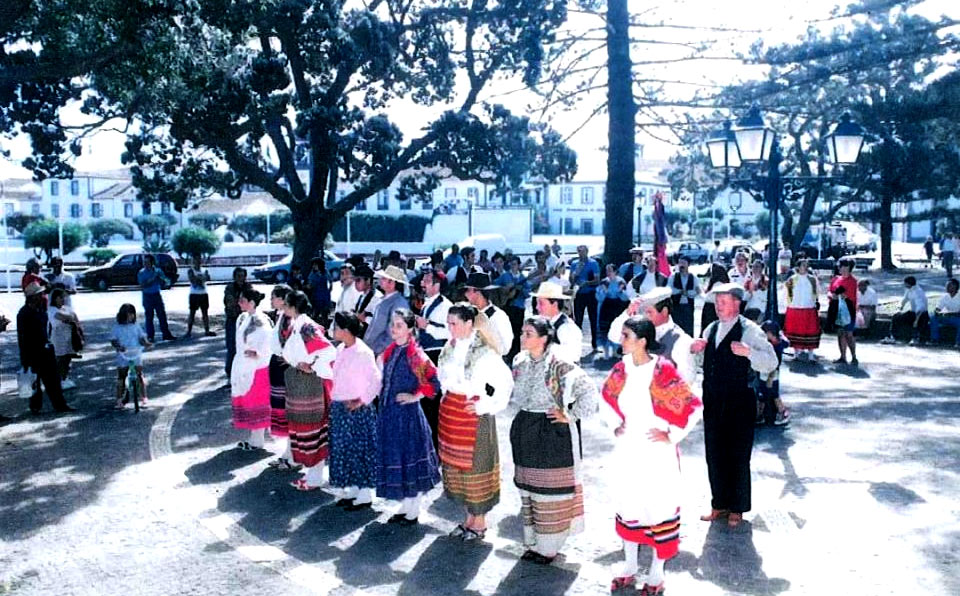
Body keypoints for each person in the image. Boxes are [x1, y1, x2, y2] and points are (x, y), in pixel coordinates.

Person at [602, 317, 702, 594]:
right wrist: (615, 424)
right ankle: (630, 565)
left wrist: (671, 435)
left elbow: (693, 406)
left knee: (658, 508)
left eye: (626, 335)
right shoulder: (621, 369)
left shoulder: (662, 369)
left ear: (642, 340)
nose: (621, 340)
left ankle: (657, 574)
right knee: (629, 504)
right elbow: (605, 399)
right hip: (628, 449)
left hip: (657, 453)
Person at [510, 317, 599, 564]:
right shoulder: (520, 361)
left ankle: (549, 547)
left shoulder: (560, 365)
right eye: (522, 332)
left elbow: (590, 395)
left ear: (544, 338)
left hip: (550, 433)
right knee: (528, 488)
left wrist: (568, 415)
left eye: (529, 334)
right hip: (525, 429)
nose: (523, 337)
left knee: (549, 491)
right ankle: (535, 542)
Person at [691, 283, 778, 528]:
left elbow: (770, 362)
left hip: (739, 399)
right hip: (713, 398)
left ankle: (738, 507)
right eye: (717, 302)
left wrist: (749, 352)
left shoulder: (750, 330)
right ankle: (719, 503)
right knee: (714, 452)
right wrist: (695, 350)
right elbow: (702, 361)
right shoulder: (711, 328)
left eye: (724, 302)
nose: (718, 307)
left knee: (738, 454)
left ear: (737, 303)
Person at [437, 303, 514, 541]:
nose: (450, 328)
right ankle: (468, 518)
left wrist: (485, 405)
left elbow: (505, 384)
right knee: (456, 467)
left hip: (473, 415)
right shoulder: (448, 348)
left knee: (476, 466)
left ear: (469, 323)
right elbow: (443, 377)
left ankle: (479, 521)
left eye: (455, 324)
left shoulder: (485, 352)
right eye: (448, 324)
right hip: (452, 413)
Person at [376, 309, 443, 524]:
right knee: (399, 459)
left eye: (399, 325)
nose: (393, 329)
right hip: (391, 415)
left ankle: (414, 510)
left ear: (410, 329)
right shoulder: (392, 350)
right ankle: (405, 507)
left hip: (407, 418)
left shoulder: (415, 355)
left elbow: (433, 382)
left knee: (409, 459)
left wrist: (414, 396)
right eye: (392, 324)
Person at [282, 290, 337, 491]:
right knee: (303, 428)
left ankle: (314, 477)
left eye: (286, 303)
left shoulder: (306, 327)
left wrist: (311, 364)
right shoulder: (297, 325)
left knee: (313, 429)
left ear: (294, 306)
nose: (284, 307)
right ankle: (311, 473)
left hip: (310, 384)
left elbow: (329, 351)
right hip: (300, 383)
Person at [329, 312, 382, 511]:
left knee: (359, 450)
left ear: (345, 330)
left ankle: (364, 494)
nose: (333, 331)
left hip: (356, 409)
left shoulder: (363, 352)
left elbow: (376, 380)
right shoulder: (341, 349)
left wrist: (362, 401)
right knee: (344, 449)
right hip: (340, 406)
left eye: (336, 328)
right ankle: (351, 489)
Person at [608, 287, 697, 385]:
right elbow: (613, 336)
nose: (646, 316)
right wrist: (628, 312)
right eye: (644, 312)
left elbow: (687, 380)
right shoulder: (640, 329)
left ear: (664, 311)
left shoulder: (681, 340)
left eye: (649, 312)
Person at [19, 283, 74, 414]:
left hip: (45, 349)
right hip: (32, 351)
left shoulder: (40, 309)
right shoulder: (24, 313)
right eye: (39, 294)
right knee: (34, 381)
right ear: (32, 297)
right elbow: (22, 337)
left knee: (53, 379)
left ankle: (60, 404)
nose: (42, 296)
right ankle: (35, 406)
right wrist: (25, 357)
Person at [229, 287, 273, 450]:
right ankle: (255, 437)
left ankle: (258, 439)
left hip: (257, 368)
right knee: (249, 401)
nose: (239, 303)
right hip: (244, 365)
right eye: (239, 300)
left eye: (243, 300)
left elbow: (269, 340)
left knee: (256, 402)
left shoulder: (260, 320)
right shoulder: (243, 318)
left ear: (252, 302)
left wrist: (259, 352)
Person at [416, 268, 452, 448]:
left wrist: (427, 326)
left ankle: (436, 446)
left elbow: (448, 331)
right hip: (425, 355)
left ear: (437, 285)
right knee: (426, 400)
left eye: (427, 281)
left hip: (436, 354)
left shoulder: (445, 305)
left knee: (433, 401)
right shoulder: (427, 303)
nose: (423, 284)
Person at [266, 284, 298, 470]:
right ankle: (287, 452)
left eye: (274, 297)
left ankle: (294, 455)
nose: (271, 301)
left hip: (285, 368)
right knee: (282, 412)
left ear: (283, 299)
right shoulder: (281, 317)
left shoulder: (290, 319)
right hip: (278, 366)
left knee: (289, 412)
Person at [109, 303, 150, 410]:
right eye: (128, 314)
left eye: (132, 314)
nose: (131, 316)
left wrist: (145, 343)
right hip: (123, 354)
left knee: (140, 374)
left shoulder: (136, 325)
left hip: (135, 352)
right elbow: (113, 340)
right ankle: (119, 399)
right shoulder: (117, 327)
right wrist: (118, 346)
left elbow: (141, 338)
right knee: (121, 377)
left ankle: (144, 397)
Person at [463, 272, 513, 358]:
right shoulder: (466, 312)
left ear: (478, 292)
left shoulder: (498, 316)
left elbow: (505, 349)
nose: (465, 294)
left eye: (468, 290)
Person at [531, 281, 582, 364]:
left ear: (554, 305)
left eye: (541, 303)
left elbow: (573, 357)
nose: (537, 307)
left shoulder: (567, 328)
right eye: (537, 303)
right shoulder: (544, 322)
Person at [365, 265, 410, 355]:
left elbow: (394, 333)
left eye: (384, 279)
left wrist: (380, 349)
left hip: (385, 352)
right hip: (374, 350)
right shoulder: (384, 300)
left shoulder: (399, 303)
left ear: (392, 283)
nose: (381, 280)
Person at [783, 259, 821, 361]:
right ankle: (796, 353)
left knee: (810, 330)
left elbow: (817, 292)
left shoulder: (812, 279)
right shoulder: (792, 279)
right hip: (795, 308)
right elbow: (787, 293)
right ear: (798, 267)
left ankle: (811, 355)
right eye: (803, 265)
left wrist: (814, 302)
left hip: (809, 308)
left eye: (806, 265)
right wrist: (789, 304)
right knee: (795, 330)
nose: (805, 267)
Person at [755, 320, 790, 426]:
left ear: (770, 333)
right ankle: (759, 415)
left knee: (774, 394)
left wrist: (770, 376)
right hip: (763, 370)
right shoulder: (772, 342)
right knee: (761, 394)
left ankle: (782, 413)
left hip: (772, 372)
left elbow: (775, 363)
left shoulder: (776, 345)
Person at [495, 255, 529, 360]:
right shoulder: (505, 276)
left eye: (514, 264)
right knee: (508, 330)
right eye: (511, 265)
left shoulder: (523, 278)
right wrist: (504, 289)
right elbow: (494, 284)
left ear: (519, 265)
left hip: (519, 308)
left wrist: (521, 290)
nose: (512, 266)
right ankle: (507, 353)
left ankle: (516, 353)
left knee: (518, 331)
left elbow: (528, 293)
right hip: (508, 306)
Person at [47, 288, 81, 389]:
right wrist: (70, 317)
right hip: (58, 337)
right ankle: (57, 379)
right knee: (60, 358)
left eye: (63, 297)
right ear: (55, 298)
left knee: (68, 358)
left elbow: (75, 317)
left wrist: (71, 317)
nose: (63, 299)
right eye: (60, 297)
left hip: (69, 336)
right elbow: (65, 317)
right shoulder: (52, 310)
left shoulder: (66, 308)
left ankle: (65, 378)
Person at [569, 245, 601, 351]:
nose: (580, 253)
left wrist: (586, 283)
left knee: (593, 318)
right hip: (579, 294)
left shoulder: (593, 263)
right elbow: (571, 281)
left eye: (582, 251)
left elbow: (597, 280)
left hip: (591, 294)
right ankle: (576, 343)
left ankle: (595, 343)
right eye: (578, 251)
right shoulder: (574, 264)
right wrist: (575, 274)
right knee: (578, 319)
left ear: (587, 251)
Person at [138, 254, 176, 343]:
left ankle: (166, 334)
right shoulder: (141, 272)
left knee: (162, 315)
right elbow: (143, 285)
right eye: (144, 262)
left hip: (156, 294)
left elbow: (166, 281)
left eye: (147, 262)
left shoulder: (158, 271)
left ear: (152, 262)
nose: (145, 264)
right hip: (147, 296)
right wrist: (153, 278)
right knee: (149, 316)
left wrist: (165, 281)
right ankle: (150, 336)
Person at [827, 259, 859, 366]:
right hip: (837, 309)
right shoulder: (835, 279)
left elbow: (851, 296)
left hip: (848, 310)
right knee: (840, 333)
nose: (843, 269)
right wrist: (832, 295)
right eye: (841, 267)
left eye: (846, 267)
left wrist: (841, 295)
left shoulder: (853, 281)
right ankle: (843, 356)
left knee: (849, 334)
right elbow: (830, 291)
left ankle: (854, 356)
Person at [883, 276, 929, 345]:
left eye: (905, 283)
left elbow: (921, 307)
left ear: (909, 284)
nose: (904, 285)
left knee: (917, 323)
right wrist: (899, 309)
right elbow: (904, 300)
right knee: (896, 317)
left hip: (921, 314)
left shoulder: (918, 292)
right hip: (913, 312)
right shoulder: (909, 290)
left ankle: (917, 339)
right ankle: (893, 337)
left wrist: (916, 319)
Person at [596, 264, 629, 359]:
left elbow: (625, 298)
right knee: (606, 328)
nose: (608, 273)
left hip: (617, 306)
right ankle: (606, 351)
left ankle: (616, 350)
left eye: (610, 270)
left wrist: (620, 292)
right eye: (607, 271)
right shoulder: (604, 282)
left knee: (617, 328)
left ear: (615, 271)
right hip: (607, 305)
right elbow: (598, 297)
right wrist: (604, 292)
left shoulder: (621, 281)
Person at [224, 267, 252, 375]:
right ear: (234, 277)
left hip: (246, 320)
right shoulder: (230, 288)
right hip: (233, 319)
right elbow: (230, 303)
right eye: (238, 276)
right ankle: (230, 371)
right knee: (232, 347)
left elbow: (253, 301)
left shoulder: (248, 287)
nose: (241, 278)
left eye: (243, 276)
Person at [666, 256, 700, 337]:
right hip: (676, 306)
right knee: (676, 328)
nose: (681, 265)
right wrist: (680, 291)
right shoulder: (673, 276)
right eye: (680, 263)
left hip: (688, 306)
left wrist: (688, 293)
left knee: (688, 328)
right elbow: (669, 289)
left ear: (688, 265)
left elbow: (697, 291)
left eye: (683, 263)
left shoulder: (693, 277)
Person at [185, 255, 215, 338]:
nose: (198, 261)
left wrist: (200, 279)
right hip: (194, 294)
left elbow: (208, 278)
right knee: (192, 313)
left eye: (199, 259)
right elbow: (193, 280)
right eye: (195, 260)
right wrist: (202, 279)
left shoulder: (204, 270)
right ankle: (188, 331)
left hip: (204, 293)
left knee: (205, 313)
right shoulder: (191, 270)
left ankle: (207, 330)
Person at [351, 264, 382, 337]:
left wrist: (365, 319)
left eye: (358, 280)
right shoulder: (362, 295)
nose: (355, 284)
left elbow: (380, 323)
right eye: (355, 280)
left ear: (368, 280)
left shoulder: (377, 298)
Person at [930, 278, 960, 348]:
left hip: (957, 318)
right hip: (947, 317)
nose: (946, 287)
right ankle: (935, 339)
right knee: (933, 317)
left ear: (955, 287)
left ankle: (958, 342)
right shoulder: (945, 296)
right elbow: (938, 308)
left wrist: (949, 314)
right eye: (946, 285)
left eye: (949, 285)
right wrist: (937, 312)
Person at [700, 263, 730, 333]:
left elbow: (708, 297)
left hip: (712, 309)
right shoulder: (720, 283)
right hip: (712, 308)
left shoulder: (718, 284)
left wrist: (700, 292)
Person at [306, 257, 332, 326]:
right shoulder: (312, 274)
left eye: (315, 265)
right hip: (316, 296)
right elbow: (310, 284)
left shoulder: (325, 272)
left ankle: (325, 328)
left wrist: (328, 291)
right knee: (315, 314)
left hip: (325, 296)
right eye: (313, 265)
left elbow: (330, 282)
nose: (314, 266)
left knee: (325, 314)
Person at [333, 263, 360, 328]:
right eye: (342, 273)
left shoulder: (354, 290)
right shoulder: (345, 289)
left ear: (353, 276)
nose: (344, 276)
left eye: (347, 273)